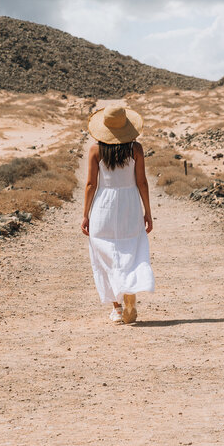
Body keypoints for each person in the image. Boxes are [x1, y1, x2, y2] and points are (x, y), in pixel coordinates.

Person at [81, 103, 155, 324]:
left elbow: (90, 184)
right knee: (131, 248)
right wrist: (147, 212)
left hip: (104, 205)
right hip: (130, 204)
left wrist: (85, 214)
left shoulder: (95, 150)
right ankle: (129, 287)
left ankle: (117, 308)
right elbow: (142, 182)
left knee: (104, 253)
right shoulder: (136, 149)